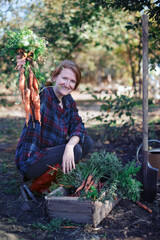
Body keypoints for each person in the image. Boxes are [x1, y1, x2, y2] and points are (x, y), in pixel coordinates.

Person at [15, 59, 94, 194]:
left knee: (86, 142)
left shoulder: (68, 101)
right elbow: (31, 87)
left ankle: (54, 179)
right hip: (32, 160)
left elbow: (78, 126)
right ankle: (38, 186)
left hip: (50, 153)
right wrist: (26, 68)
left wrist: (69, 146)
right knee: (77, 150)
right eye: (64, 78)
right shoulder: (44, 94)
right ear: (55, 77)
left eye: (72, 81)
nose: (67, 84)